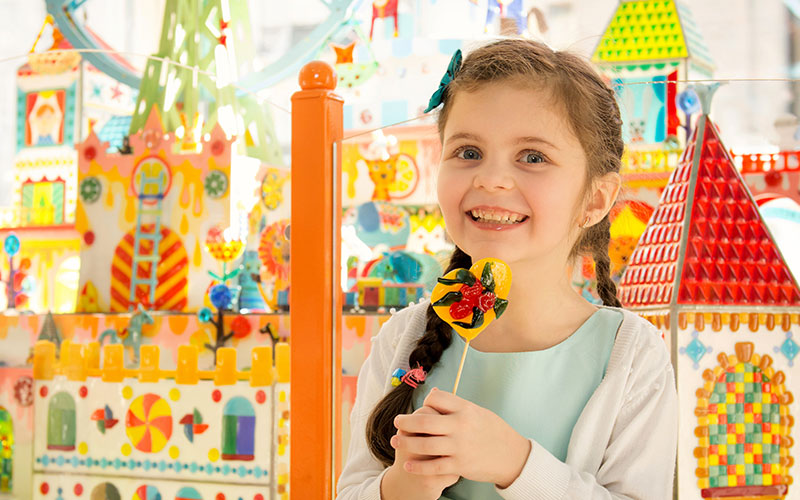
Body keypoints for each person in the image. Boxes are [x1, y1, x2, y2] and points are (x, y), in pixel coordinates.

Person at [336, 38, 677, 500]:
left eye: (533, 157)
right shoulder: (402, 338)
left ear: (595, 199)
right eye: (468, 151)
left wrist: (515, 463)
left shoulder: (632, 355)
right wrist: (401, 486)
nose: (490, 178)